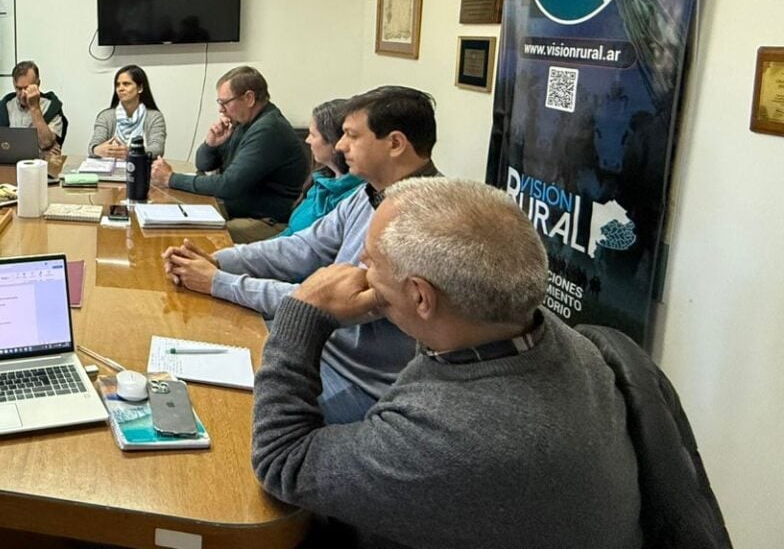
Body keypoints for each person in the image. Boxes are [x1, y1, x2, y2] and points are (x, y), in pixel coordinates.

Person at [250, 178, 641, 549]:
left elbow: (282, 461)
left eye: (372, 259)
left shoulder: (450, 437)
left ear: (422, 297)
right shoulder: (548, 335)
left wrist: (301, 315)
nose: (360, 265)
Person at [162, 85, 439, 423]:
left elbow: (325, 301)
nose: (339, 145)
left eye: (352, 136)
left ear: (395, 143)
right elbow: (302, 247)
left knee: (220, 417)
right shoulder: (369, 193)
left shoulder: (418, 219)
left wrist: (218, 282)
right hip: (316, 348)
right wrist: (218, 260)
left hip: (356, 382)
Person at [151, 66, 307, 243]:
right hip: (238, 209)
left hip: (267, 221)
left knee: (192, 234)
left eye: (225, 102)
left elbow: (228, 185)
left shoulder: (268, 129)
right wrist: (211, 144)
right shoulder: (244, 123)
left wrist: (170, 178)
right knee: (171, 215)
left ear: (249, 98)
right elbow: (203, 165)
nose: (221, 110)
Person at [282, 97, 364, 235]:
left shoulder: (355, 195)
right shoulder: (321, 181)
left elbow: (310, 248)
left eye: (313, 135)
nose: (307, 140)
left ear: (333, 141)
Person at [87, 64, 167, 159]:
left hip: (142, 170)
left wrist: (131, 152)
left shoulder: (154, 117)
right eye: (118, 85)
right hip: (109, 170)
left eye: (126, 84)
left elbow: (157, 149)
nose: (120, 89)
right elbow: (93, 146)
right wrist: (96, 150)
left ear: (140, 88)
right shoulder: (106, 116)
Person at [0, 60, 66, 159]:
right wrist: (38, 152)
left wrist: (35, 108)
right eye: (19, 89)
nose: (23, 94)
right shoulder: (4, 107)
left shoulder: (51, 106)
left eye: (28, 88)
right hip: (11, 166)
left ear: (38, 83)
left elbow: (46, 143)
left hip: (42, 168)